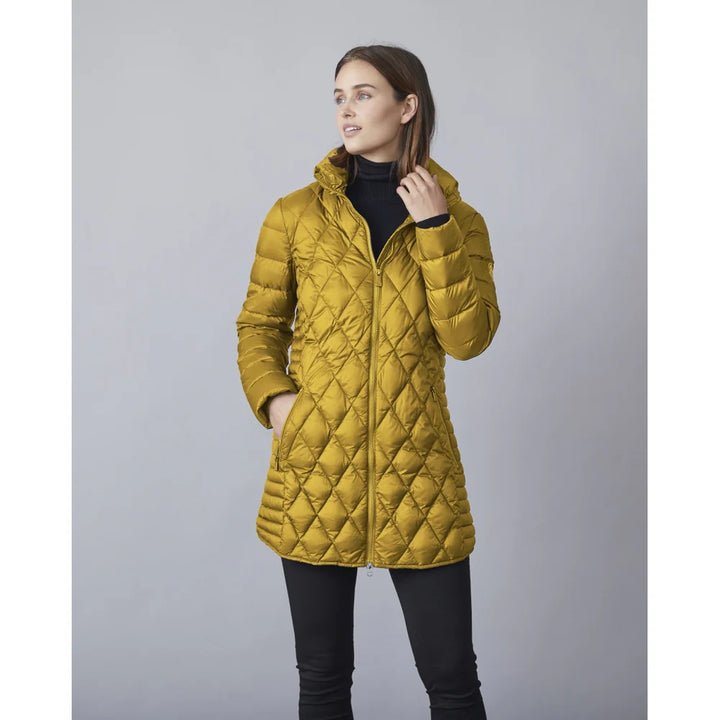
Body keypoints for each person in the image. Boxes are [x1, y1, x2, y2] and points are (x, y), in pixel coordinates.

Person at [236, 43, 500, 720]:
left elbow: (469, 340)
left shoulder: (459, 220)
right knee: (323, 679)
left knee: (453, 681)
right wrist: (277, 401)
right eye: (339, 97)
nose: (346, 110)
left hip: (420, 471)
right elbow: (259, 325)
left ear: (407, 106)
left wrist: (434, 227)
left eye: (363, 94)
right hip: (315, 466)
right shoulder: (296, 215)